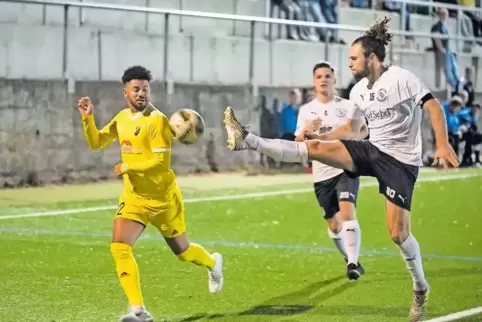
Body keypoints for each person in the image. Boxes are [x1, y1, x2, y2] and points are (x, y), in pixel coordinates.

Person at [223, 17, 459, 322]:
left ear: (370, 58)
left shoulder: (401, 78)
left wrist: (442, 144)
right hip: (372, 150)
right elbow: (352, 127)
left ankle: (419, 287)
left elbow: (433, 107)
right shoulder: (359, 90)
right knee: (316, 151)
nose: (349, 63)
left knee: (398, 234)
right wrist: (321, 137)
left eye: (353, 58)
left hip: (401, 162)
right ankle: (248, 139)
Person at [78, 66, 224, 322]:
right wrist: (88, 119)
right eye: (136, 89)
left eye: (145, 89)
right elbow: (96, 142)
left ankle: (212, 263)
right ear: (126, 92)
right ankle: (139, 312)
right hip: (134, 199)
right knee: (119, 247)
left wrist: (126, 166)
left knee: (183, 252)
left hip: (164, 200)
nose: (141, 93)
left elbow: (159, 164)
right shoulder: (122, 118)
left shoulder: (157, 121)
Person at [295, 61, 368, 280]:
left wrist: (351, 141)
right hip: (321, 175)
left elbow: (363, 130)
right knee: (334, 225)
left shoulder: (348, 106)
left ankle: (353, 264)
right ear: (314, 82)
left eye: (327, 76)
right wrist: (307, 130)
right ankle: (349, 257)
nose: (324, 80)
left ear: (334, 79)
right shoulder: (306, 111)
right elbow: (298, 143)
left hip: (345, 167)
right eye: (319, 77)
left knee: (347, 213)